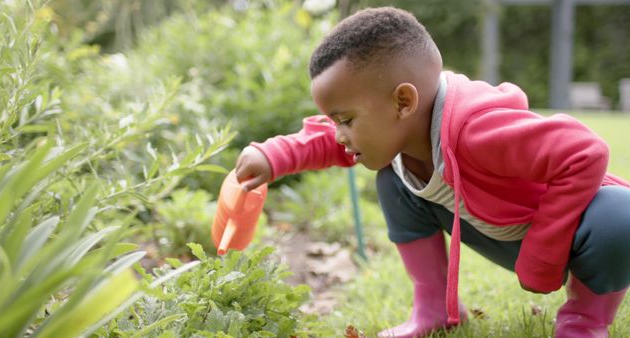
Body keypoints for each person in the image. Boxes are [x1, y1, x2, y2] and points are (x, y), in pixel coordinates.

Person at [234, 6, 630, 338]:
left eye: (347, 120)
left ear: (404, 101)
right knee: (394, 179)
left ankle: (584, 320)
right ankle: (433, 307)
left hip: (566, 236)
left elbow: (585, 152)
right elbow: (324, 139)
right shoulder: (404, 130)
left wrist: (543, 255)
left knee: (621, 216)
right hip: (502, 231)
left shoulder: (478, 129)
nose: (340, 134)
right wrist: (272, 156)